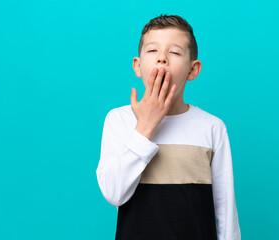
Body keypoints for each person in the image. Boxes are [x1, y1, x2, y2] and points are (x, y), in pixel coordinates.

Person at [96, 14, 241, 240]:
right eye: (152, 51)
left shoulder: (212, 127)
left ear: (193, 70)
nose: (162, 58)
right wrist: (145, 126)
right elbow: (114, 194)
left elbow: (226, 211)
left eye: (174, 52)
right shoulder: (119, 120)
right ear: (137, 65)